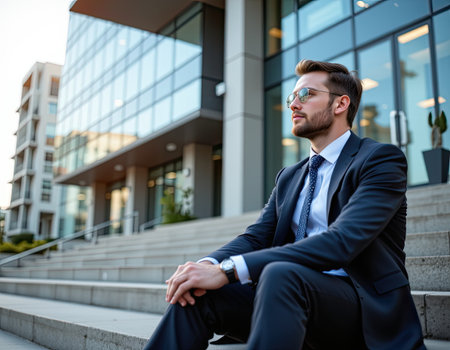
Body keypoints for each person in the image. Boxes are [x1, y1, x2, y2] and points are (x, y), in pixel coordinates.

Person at [143, 60, 425, 350]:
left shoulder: (380, 160)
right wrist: (207, 264)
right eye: (292, 98)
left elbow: (342, 242)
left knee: (280, 273)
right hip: (288, 300)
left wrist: (228, 271)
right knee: (197, 290)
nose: (293, 105)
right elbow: (255, 237)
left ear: (341, 104)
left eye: (306, 95)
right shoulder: (290, 176)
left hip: (360, 309)